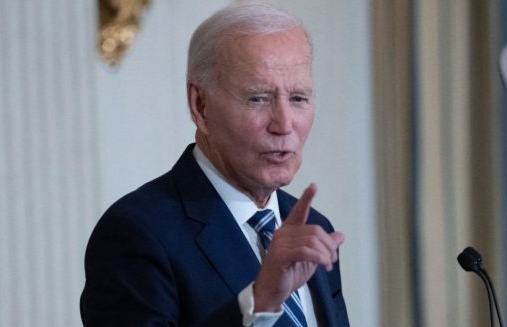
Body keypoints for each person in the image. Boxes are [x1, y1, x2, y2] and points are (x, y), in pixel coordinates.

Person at [80, 2, 349, 326]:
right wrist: (259, 302)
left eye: (298, 99)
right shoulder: (137, 234)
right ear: (201, 105)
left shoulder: (313, 230)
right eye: (258, 98)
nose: (284, 124)